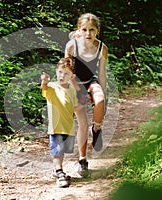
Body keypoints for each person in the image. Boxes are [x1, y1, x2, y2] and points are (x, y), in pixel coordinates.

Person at [65, 13, 108, 176]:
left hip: (91, 81)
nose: (88, 34)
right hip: (75, 85)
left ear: (98, 31)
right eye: (84, 30)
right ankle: (82, 160)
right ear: (79, 30)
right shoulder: (71, 46)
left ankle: (97, 129)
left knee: (100, 98)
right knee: (82, 124)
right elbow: (66, 71)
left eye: (92, 30)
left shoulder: (102, 47)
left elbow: (102, 75)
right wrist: (71, 94)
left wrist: (104, 99)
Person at [41, 57, 80, 187]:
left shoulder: (72, 90)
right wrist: (44, 81)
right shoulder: (52, 87)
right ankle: (59, 173)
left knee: (62, 151)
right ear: (56, 72)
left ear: (72, 76)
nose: (62, 76)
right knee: (57, 151)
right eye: (60, 72)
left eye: (66, 73)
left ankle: (56, 169)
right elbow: (45, 89)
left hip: (68, 126)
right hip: (56, 126)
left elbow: (74, 106)